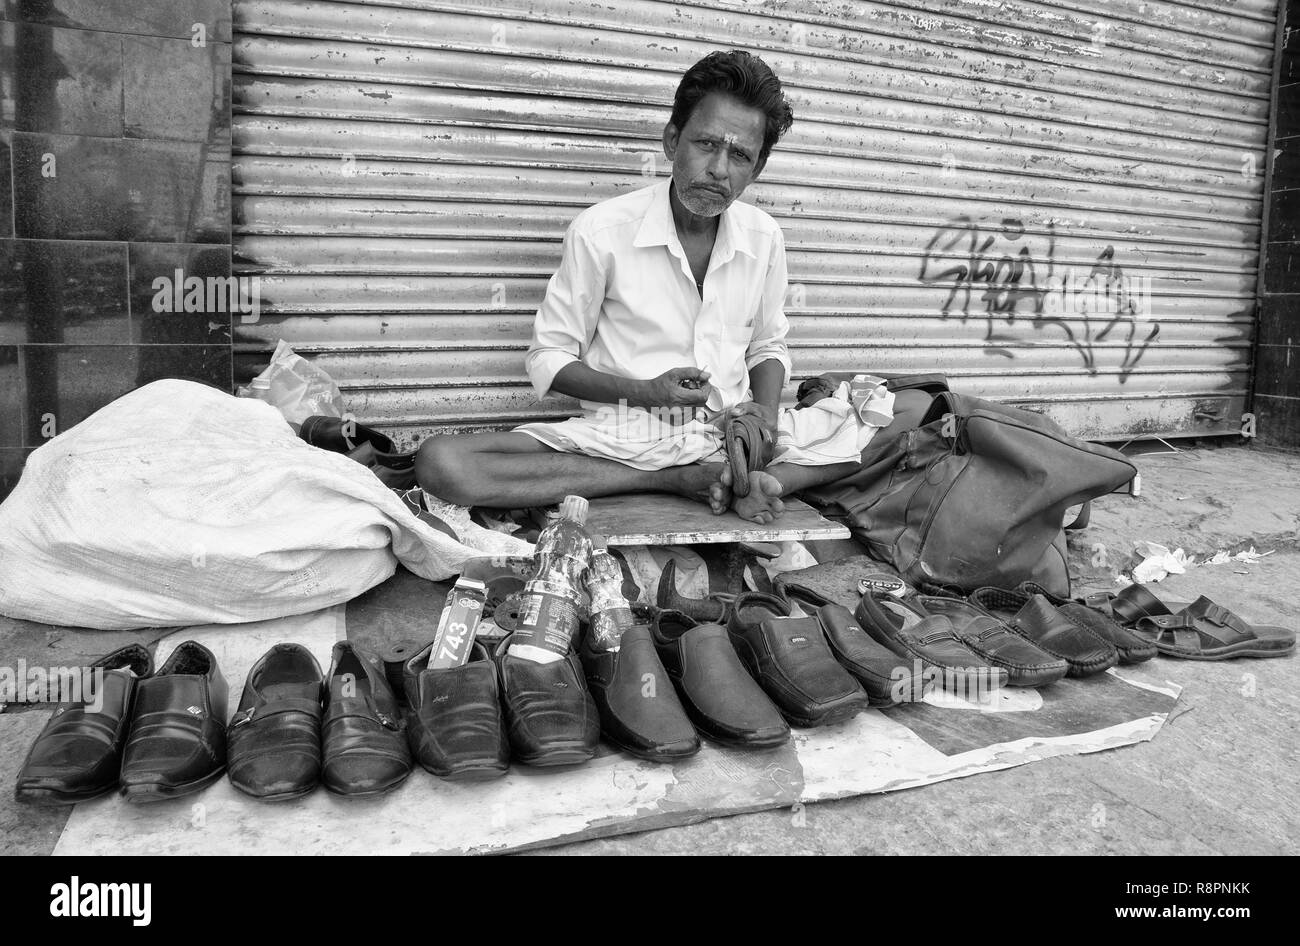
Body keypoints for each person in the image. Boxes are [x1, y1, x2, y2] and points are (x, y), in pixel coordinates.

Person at [417, 50, 863, 524]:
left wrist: (766, 419)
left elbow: (768, 345)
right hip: (623, 436)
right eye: (706, 144)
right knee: (441, 461)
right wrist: (648, 393)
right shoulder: (600, 232)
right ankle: (675, 478)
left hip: (728, 434)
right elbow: (548, 358)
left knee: (878, 415)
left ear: (756, 169)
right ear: (672, 141)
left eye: (739, 155)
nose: (719, 169)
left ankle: (736, 472)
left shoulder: (764, 237)